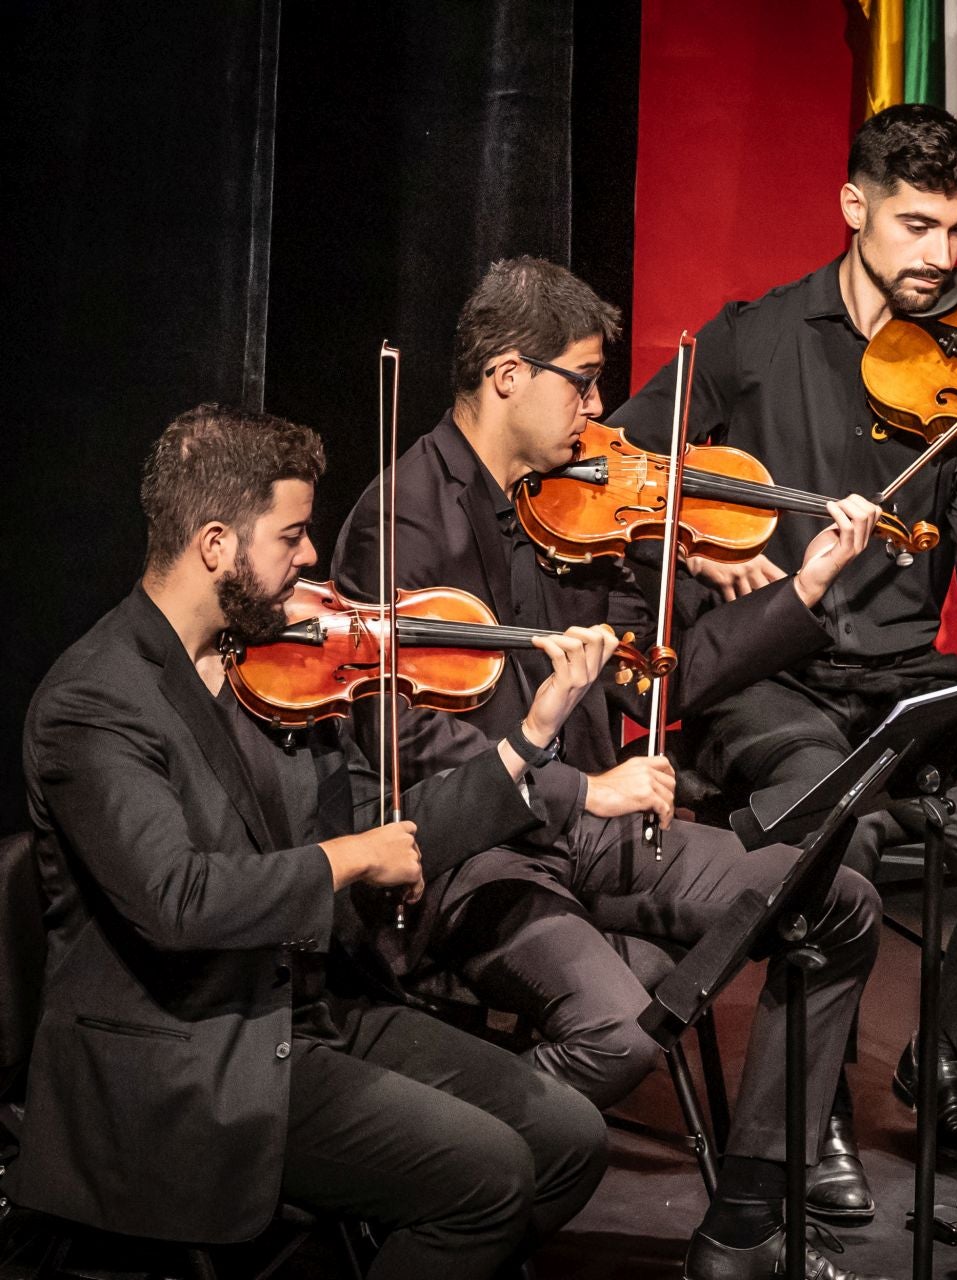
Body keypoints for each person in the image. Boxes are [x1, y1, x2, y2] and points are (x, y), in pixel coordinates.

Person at [606, 103, 957, 1217]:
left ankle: (943, 1062)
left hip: (909, 688)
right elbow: (624, 471)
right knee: (842, 850)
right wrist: (699, 552)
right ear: (854, 206)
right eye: (917, 225)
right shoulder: (750, 341)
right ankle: (810, 1111)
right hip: (776, 680)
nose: (941, 258)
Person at [333, 256, 894, 1280]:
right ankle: (453, 1170)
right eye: (582, 382)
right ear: (507, 374)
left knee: (838, 895)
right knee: (619, 1032)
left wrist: (799, 595)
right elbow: (408, 753)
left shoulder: (579, 509)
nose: (601, 409)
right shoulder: (402, 515)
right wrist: (579, 788)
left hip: (603, 831)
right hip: (484, 852)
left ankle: (744, 1226)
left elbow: (653, 685)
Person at [14, 404, 613, 1276]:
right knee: (485, 1180)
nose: (310, 560)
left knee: (569, 1136)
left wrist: (524, 742)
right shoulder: (95, 701)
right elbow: (179, 900)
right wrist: (349, 859)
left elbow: (387, 836)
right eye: (292, 536)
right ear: (215, 544)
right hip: (193, 1057)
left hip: (307, 1012)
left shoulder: (263, 673)